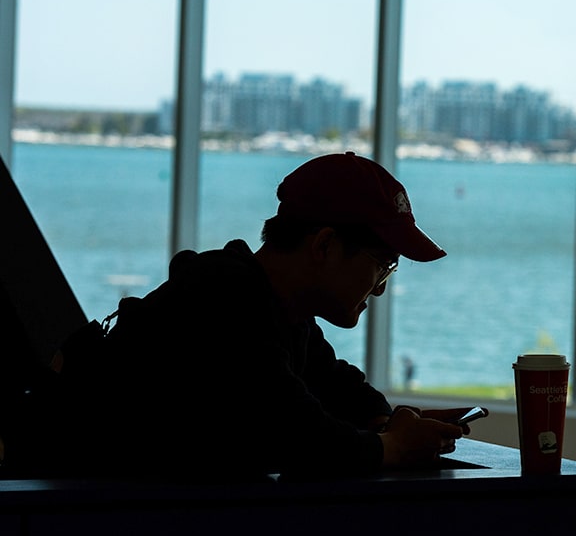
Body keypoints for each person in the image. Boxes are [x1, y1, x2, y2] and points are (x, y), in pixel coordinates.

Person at [59, 151, 467, 479]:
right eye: (383, 265)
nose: (380, 287)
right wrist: (393, 446)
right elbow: (298, 437)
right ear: (324, 245)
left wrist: (392, 420)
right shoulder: (225, 300)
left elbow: (334, 383)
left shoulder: (276, 304)